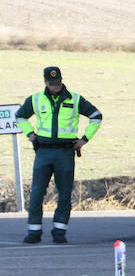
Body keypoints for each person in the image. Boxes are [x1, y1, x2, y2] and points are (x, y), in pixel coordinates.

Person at [15, 66, 102, 244]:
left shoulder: (75, 99)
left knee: (64, 193)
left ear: (62, 80)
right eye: (51, 83)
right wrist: (29, 134)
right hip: (43, 151)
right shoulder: (36, 99)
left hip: (65, 152)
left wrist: (85, 139)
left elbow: (96, 116)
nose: (55, 86)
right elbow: (20, 116)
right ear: (45, 82)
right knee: (37, 192)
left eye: (58, 82)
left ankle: (59, 231)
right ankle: (34, 231)